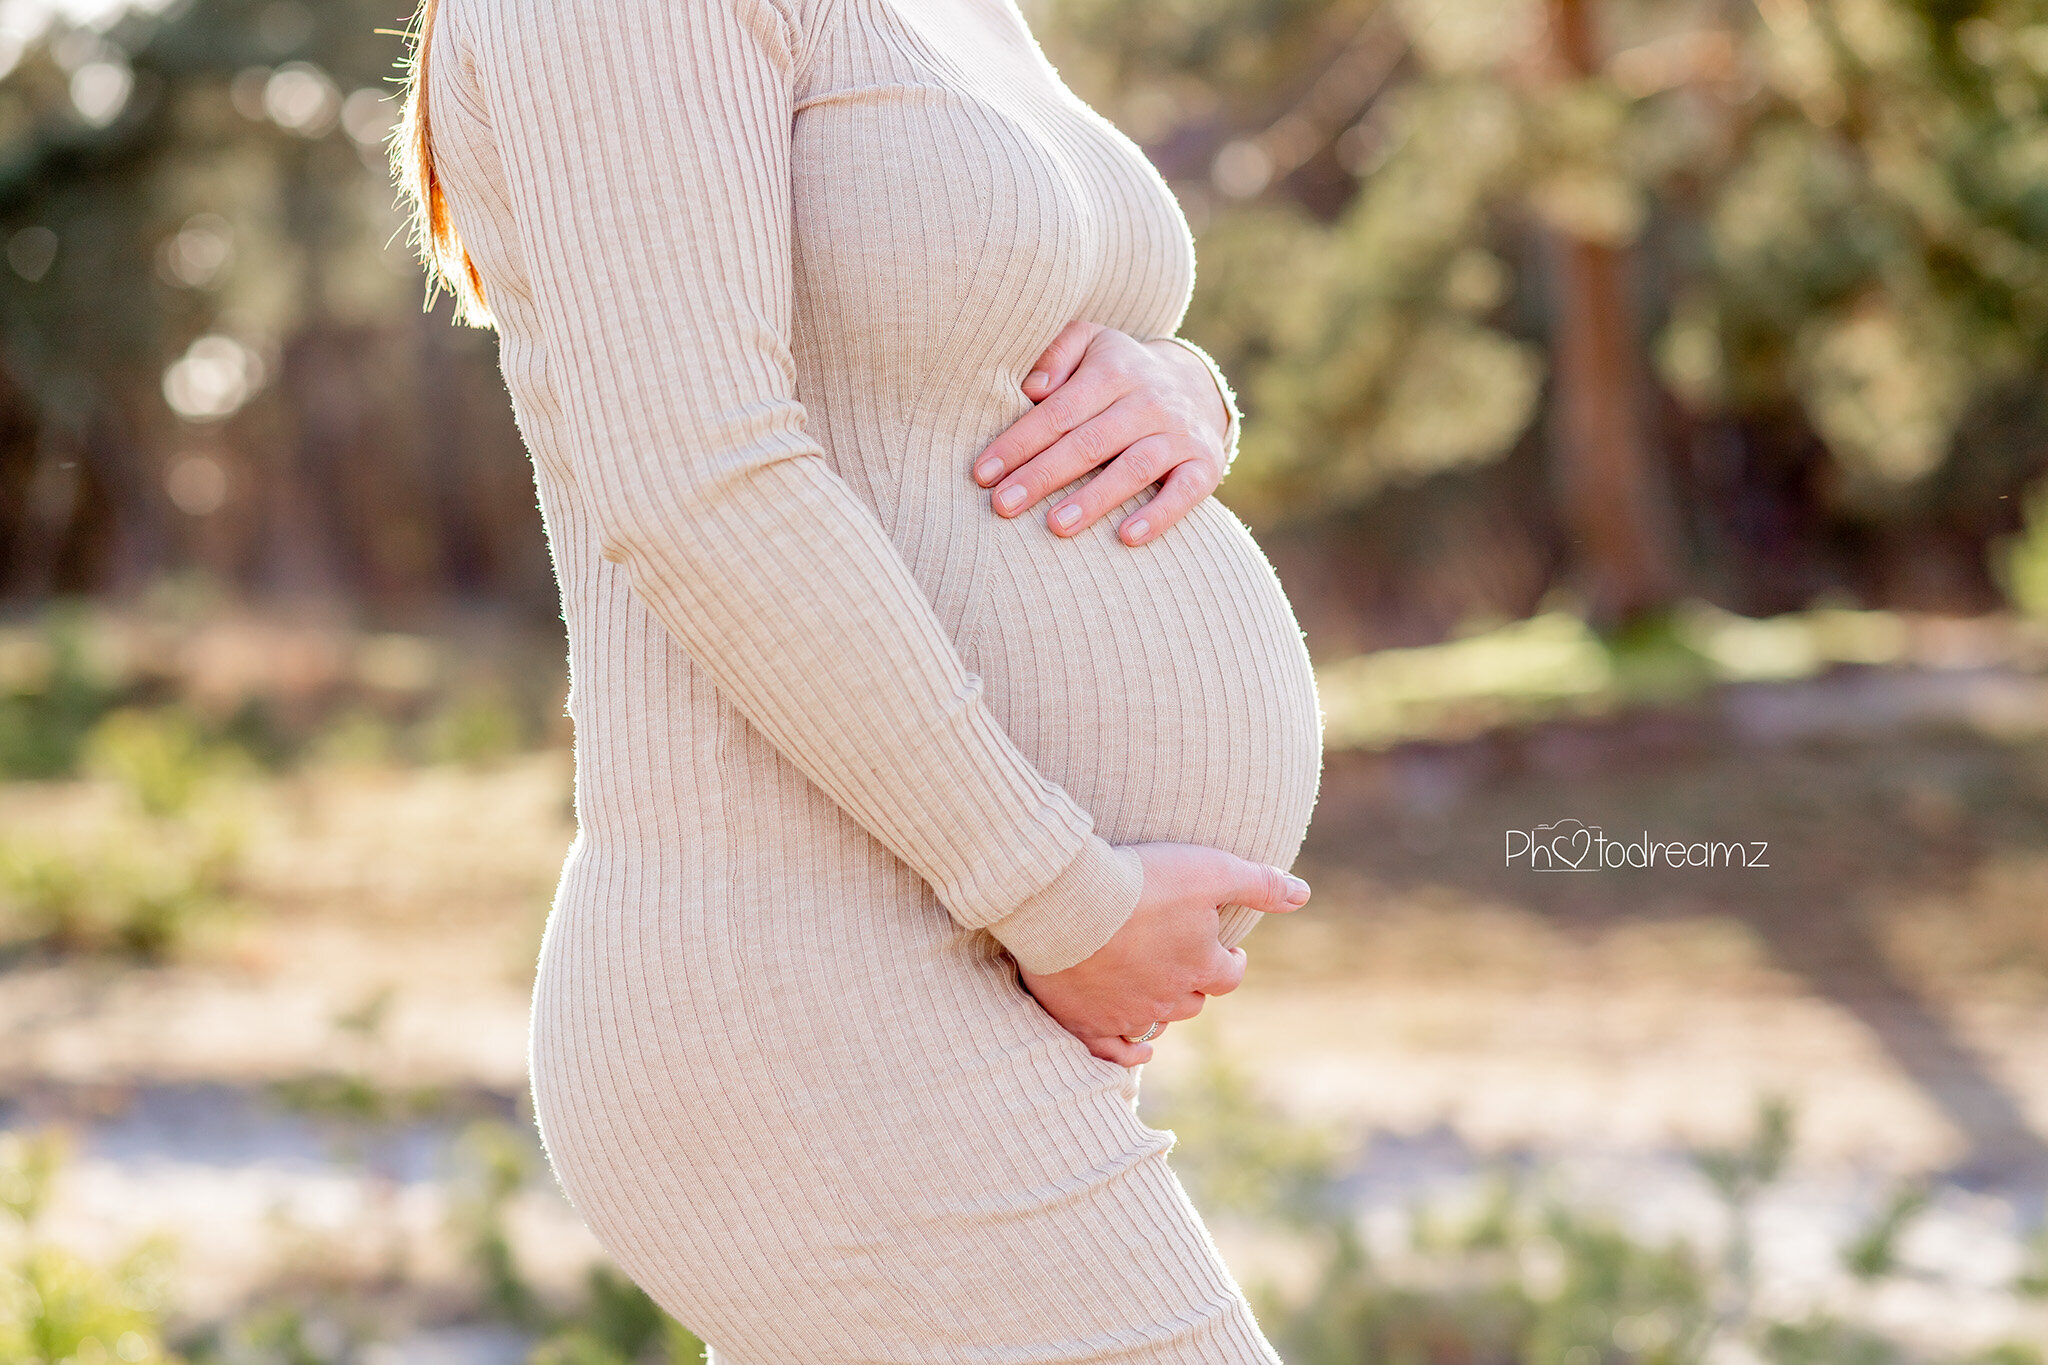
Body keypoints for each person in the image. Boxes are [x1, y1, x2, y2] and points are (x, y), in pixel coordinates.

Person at [392, 0, 1324, 1357]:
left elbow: (988, 330)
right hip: (811, 971)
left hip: (939, 957)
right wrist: (1060, 896)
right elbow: (697, 481)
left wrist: (1188, 389)